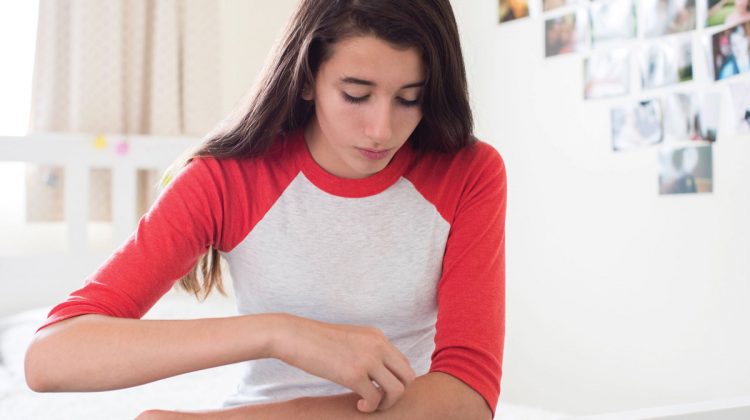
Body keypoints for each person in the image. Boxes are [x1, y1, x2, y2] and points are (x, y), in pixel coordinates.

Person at [24, 1, 507, 419]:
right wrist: (279, 334)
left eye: (409, 98)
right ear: (306, 80)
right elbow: (51, 358)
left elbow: (468, 395)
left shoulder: (469, 172)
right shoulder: (227, 180)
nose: (381, 129)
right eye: (356, 95)